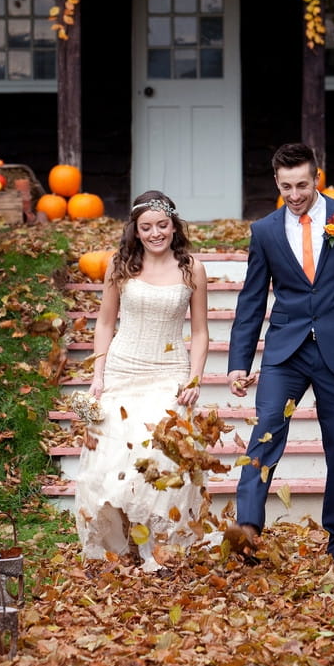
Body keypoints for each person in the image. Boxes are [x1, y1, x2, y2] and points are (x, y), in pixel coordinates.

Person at [225, 143, 334, 561]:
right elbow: (251, 301)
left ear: (316, 178)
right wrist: (238, 363)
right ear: (277, 183)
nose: (295, 194)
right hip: (287, 349)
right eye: (287, 187)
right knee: (266, 429)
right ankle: (247, 527)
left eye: (302, 185)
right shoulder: (265, 230)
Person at [74, 190, 210, 572]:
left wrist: (195, 377)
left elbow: (200, 332)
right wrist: (98, 373)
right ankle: (120, 545)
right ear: (135, 230)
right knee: (114, 456)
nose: (155, 234)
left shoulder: (191, 269)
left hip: (169, 371)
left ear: (173, 226)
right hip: (123, 368)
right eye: (146, 227)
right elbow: (104, 323)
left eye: (162, 225)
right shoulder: (120, 264)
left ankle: (160, 549)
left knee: (162, 455)